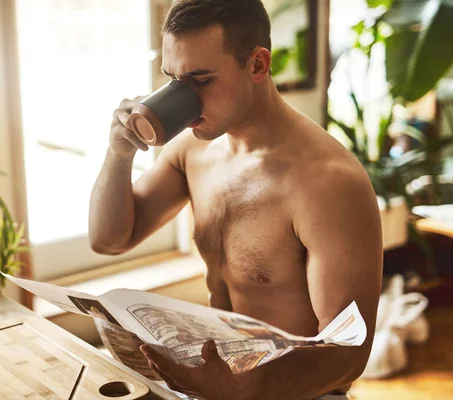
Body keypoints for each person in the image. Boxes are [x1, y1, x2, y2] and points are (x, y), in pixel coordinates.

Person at [88, 0, 383, 399]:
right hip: (216, 386)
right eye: (173, 80)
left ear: (258, 65)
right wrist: (118, 155)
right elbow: (109, 239)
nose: (185, 103)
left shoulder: (328, 183)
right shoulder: (192, 151)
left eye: (201, 80)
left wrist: (240, 389)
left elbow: (348, 356)